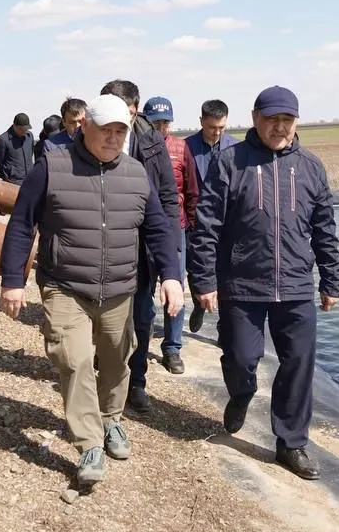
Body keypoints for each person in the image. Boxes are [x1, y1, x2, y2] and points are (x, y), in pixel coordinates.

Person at [0, 94, 184, 490]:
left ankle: (111, 418)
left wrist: (171, 275)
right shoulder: (51, 167)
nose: (114, 138)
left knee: (118, 360)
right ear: (85, 127)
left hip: (119, 288)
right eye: (106, 130)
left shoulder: (136, 174)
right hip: (66, 285)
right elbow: (20, 224)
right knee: (74, 359)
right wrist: (13, 280)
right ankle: (88, 444)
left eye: (121, 131)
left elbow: (157, 229)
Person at [187, 86, 339, 481]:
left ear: (295, 123)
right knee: (239, 358)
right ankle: (242, 393)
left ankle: (291, 442)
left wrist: (331, 279)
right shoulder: (230, 162)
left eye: (286, 120)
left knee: (299, 363)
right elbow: (206, 226)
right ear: (255, 118)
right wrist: (203, 279)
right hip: (242, 283)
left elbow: (324, 228)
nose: (279, 127)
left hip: (294, 285)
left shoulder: (310, 167)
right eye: (271, 119)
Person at [98, 80, 179, 413]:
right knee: (104, 321)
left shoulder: (150, 142)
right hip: (102, 249)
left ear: (135, 111)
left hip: (142, 251)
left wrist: (168, 255)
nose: (120, 122)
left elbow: (168, 198)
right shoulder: (91, 138)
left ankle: (137, 382)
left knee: (142, 318)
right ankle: (105, 378)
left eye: (128, 114)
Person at [137, 96, 199, 375]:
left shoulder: (180, 147)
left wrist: (192, 226)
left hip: (176, 229)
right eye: (156, 122)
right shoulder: (136, 146)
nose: (161, 128)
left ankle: (173, 348)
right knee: (143, 289)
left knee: (175, 287)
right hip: (143, 231)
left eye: (165, 122)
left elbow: (191, 191)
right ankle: (141, 338)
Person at [184, 99, 239, 333]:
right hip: (194, 221)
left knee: (225, 272)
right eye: (211, 127)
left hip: (225, 222)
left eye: (221, 128)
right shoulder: (186, 147)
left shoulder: (236, 149)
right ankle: (198, 300)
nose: (216, 132)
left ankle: (223, 326)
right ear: (201, 122)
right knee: (194, 267)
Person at [0, 113, 34, 184]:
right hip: (14, 181)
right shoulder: (3, 140)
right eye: (22, 129)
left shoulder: (29, 137)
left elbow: (31, 154)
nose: (24, 131)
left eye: (26, 129)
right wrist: (6, 178)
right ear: (14, 126)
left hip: (30, 179)